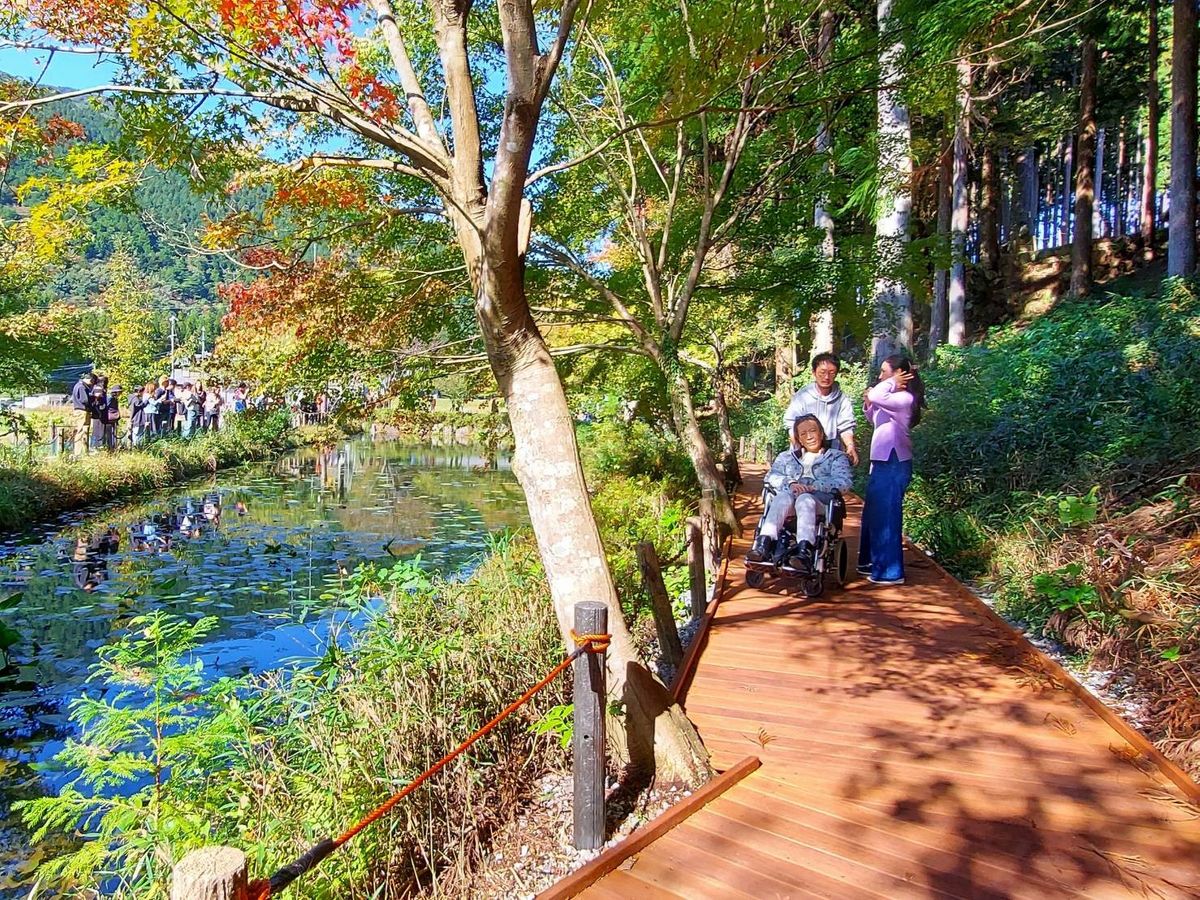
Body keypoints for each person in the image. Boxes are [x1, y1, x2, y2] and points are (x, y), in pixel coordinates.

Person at [748, 414, 853, 572]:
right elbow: (771, 476)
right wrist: (791, 483)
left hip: (820, 503)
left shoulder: (836, 457)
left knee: (804, 499)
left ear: (821, 433)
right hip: (790, 501)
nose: (809, 436)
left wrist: (815, 486)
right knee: (782, 496)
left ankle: (804, 549)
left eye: (813, 431)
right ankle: (764, 544)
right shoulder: (786, 457)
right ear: (798, 439)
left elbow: (844, 482)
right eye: (803, 434)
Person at [858, 354, 926, 586]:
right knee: (874, 515)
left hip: (894, 462)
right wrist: (868, 403)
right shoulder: (892, 398)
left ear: (899, 375)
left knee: (887, 516)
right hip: (882, 461)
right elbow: (873, 416)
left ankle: (890, 572)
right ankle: (871, 562)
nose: (879, 377)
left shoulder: (905, 398)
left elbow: (877, 394)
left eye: (884, 372)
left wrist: (892, 382)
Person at [782, 353, 860, 466]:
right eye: (822, 372)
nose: (826, 377)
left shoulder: (842, 399)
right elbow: (791, 424)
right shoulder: (802, 396)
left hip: (832, 452)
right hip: (804, 452)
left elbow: (846, 426)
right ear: (814, 372)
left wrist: (850, 446)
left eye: (831, 372)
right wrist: (799, 450)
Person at [69, 372, 96, 456]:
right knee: (81, 431)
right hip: (82, 411)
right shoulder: (81, 386)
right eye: (93, 382)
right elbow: (84, 400)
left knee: (85, 431)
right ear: (91, 379)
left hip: (81, 410)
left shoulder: (79, 385)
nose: (92, 385)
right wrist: (92, 397)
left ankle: (84, 451)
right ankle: (78, 452)